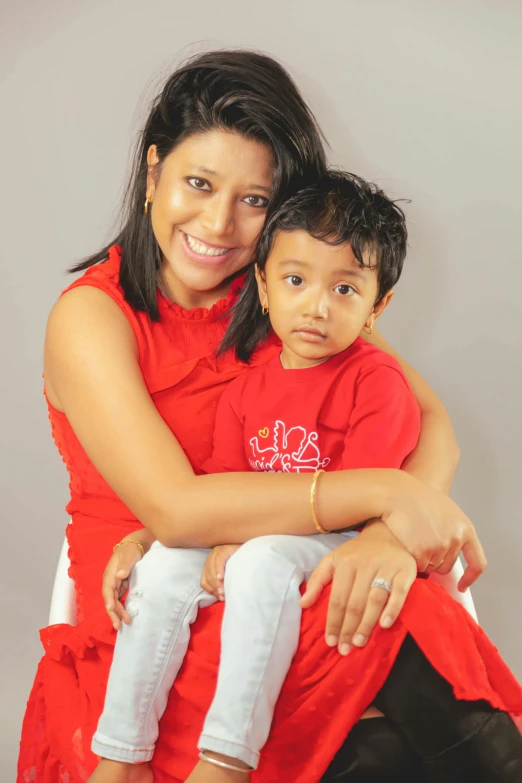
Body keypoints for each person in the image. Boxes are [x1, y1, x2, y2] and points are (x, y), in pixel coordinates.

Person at [16, 50, 518, 783]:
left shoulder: (288, 290)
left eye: (254, 200)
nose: (218, 223)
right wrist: (390, 497)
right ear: (152, 173)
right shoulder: (93, 318)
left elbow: (429, 421)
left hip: (266, 562)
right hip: (157, 595)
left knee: (377, 603)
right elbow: (179, 509)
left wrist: (386, 540)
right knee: (384, 632)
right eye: (197, 183)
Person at [89, 170, 421, 781]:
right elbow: (222, 487)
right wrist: (144, 539)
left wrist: (242, 538)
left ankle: (225, 757)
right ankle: (122, 752)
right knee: (162, 568)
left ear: (378, 306)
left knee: (260, 560)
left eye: (345, 290)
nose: (317, 306)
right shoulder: (248, 389)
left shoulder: (377, 382)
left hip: (332, 538)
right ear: (264, 290)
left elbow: (357, 498)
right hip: (256, 532)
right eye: (296, 281)